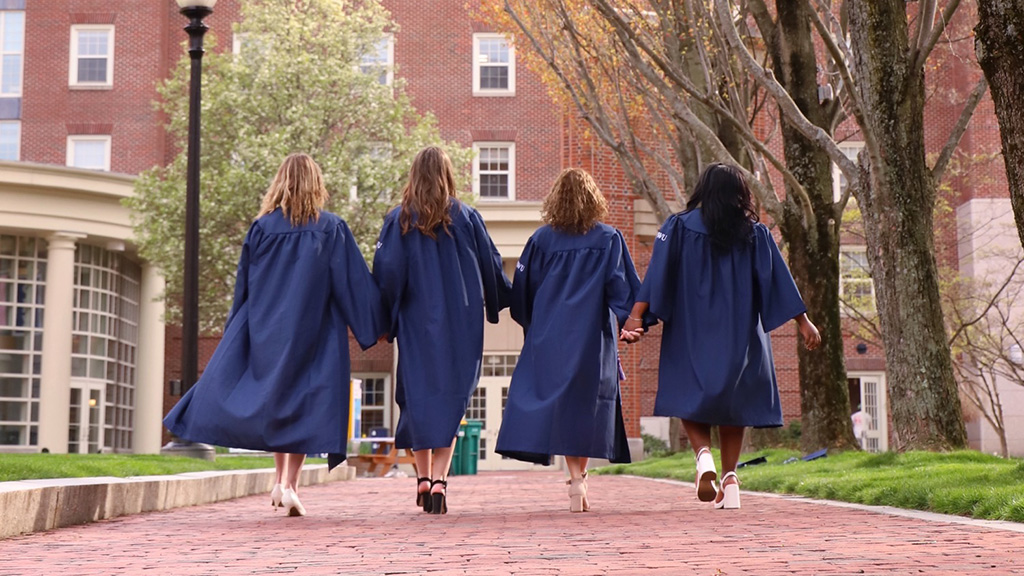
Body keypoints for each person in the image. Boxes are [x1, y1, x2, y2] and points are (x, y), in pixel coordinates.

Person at [164, 153, 386, 517]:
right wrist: (374, 325)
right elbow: (352, 283)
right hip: (313, 330)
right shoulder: (330, 228)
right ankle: (290, 484)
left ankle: (282, 480)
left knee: (278, 401)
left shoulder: (261, 229)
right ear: (316, 185)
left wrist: (236, 331)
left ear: (280, 183)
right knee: (300, 404)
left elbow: (244, 286)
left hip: (267, 328)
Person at [623, 163, 821, 510]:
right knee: (736, 405)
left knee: (687, 394)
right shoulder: (755, 233)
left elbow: (657, 273)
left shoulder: (678, 227)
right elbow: (778, 279)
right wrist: (804, 322)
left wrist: (636, 317)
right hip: (741, 332)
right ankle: (730, 481)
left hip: (690, 328)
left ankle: (703, 457)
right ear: (739, 194)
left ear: (704, 190)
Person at [373, 146, 511, 515]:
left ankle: (421, 477)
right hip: (460, 322)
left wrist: (383, 321)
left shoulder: (398, 220)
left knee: (418, 400)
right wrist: (506, 301)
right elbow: (490, 264)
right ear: (447, 175)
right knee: (452, 400)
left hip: (416, 322)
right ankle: (439, 481)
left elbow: (386, 275)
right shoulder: (466, 217)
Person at [495, 168, 641, 513]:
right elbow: (621, 287)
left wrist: (534, 328)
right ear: (594, 200)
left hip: (550, 336)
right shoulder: (608, 238)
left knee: (560, 408)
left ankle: (575, 478)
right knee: (586, 408)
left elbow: (522, 296)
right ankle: (581, 477)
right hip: (592, 336)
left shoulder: (540, 241)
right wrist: (630, 322)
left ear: (554, 201)